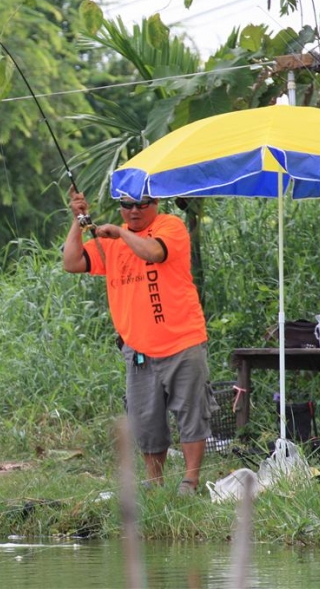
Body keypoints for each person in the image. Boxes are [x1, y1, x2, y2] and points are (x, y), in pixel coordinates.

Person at [62, 191, 212, 496]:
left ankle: (191, 480)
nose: (134, 210)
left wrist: (118, 233)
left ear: (155, 204)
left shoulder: (170, 227)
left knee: (191, 412)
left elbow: (154, 253)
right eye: (126, 205)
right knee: (145, 418)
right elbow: (72, 262)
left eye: (142, 204)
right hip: (138, 347)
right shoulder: (109, 244)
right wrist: (79, 222)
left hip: (182, 341)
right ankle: (154, 481)